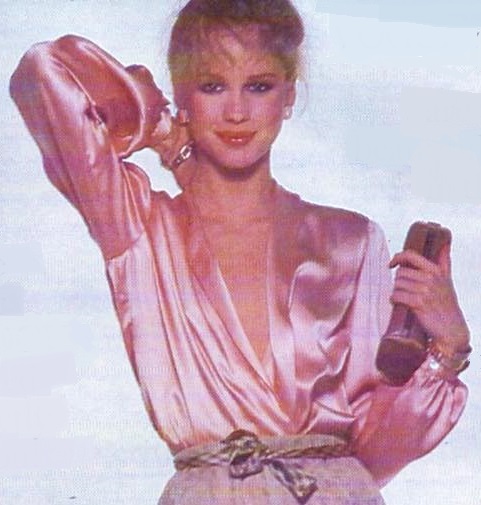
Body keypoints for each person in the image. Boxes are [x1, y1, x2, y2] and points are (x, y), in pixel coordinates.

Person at [10, 0, 471, 503]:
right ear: (181, 94)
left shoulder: (350, 242)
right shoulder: (139, 230)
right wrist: (162, 132)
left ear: (289, 96)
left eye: (259, 86)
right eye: (212, 86)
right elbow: (44, 70)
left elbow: (371, 450)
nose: (236, 111)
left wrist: (446, 352)